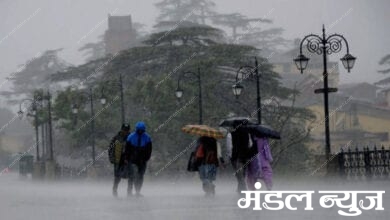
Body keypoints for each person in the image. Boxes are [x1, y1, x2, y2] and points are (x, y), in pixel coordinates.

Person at [125, 121, 152, 197]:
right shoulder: (131, 137)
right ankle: (129, 191)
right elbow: (127, 149)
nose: (140, 131)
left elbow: (149, 150)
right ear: (136, 129)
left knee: (140, 176)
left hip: (142, 161)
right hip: (132, 160)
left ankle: (137, 191)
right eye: (139, 130)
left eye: (142, 130)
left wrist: (147, 158)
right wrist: (126, 158)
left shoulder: (147, 138)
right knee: (133, 175)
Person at [226, 126, 252, 193]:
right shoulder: (247, 134)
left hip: (236, 157)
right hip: (245, 157)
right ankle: (240, 189)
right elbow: (250, 145)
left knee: (239, 175)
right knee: (243, 174)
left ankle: (243, 190)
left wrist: (229, 157)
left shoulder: (230, 135)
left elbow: (229, 147)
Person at [108, 123, 131, 197]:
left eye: (127, 130)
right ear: (121, 129)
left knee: (130, 176)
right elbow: (110, 149)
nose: (126, 132)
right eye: (124, 130)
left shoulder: (131, 137)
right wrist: (112, 158)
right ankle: (115, 189)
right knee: (117, 176)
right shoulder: (116, 138)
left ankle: (129, 192)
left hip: (127, 160)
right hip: (118, 160)